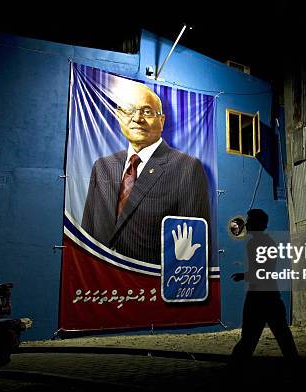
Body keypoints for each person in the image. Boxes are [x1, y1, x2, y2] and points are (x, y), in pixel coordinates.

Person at [81, 82, 210, 264]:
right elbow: (87, 232)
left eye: (147, 111)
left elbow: (192, 242)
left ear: (162, 121)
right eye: (128, 110)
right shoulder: (102, 166)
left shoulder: (187, 168)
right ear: (119, 116)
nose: (137, 118)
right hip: (100, 281)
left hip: (150, 284)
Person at [230, 209, 299, 362]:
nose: (247, 223)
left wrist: (245, 276)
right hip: (270, 295)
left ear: (259, 224)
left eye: (250, 220)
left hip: (259, 297)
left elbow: (263, 271)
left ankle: (234, 371)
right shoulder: (264, 242)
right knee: (282, 336)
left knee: (249, 338)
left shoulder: (257, 243)